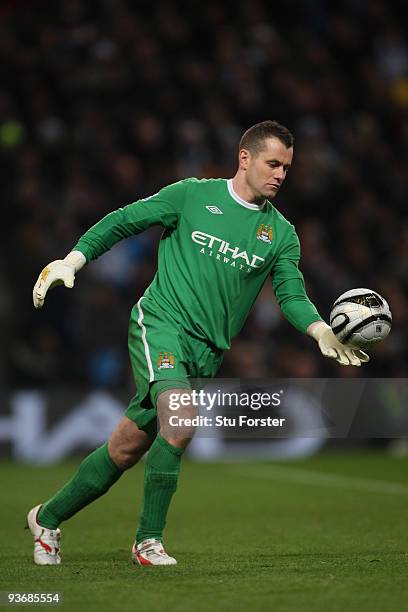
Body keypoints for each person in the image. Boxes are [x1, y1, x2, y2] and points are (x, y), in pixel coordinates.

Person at [27, 120, 369, 566]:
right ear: (244, 158)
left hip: (206, 351)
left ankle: (47, 519)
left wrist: (320, 329)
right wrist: (73, 260)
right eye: (273, 164)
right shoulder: (192, 195)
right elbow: (124, 220)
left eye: (287, 167)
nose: (281, 174)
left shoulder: (281, 234)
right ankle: (148, 542)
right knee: (182, 421)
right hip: (160, 323)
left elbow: (291, 293)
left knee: (126, 447)